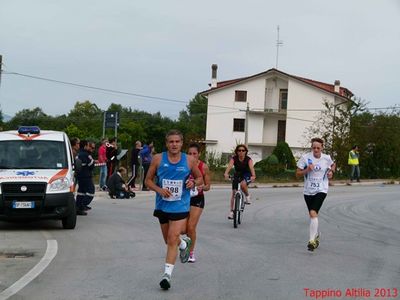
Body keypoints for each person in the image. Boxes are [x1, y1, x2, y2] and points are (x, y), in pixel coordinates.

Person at [145, 129, 203, 290]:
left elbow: (199, 178)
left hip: (180, 205)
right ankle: (184, 244)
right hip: (163, 205)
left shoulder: (189, 160)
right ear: (166, 143)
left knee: (172, 238)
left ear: (181, 143)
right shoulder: (157, 159)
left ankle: (167, 276)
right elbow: (147, 180)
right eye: (171, 141)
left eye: (177, 141)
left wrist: (193, 183)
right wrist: (159, 190)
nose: (174, 144)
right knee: (168, 240)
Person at [296, 137, 335, 251]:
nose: (316, 150)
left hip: (321, 190)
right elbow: (298, 173)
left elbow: (333, 165)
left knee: (313, 213)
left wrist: (331, 171)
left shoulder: (326, 158)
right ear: (311, 148)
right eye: (314, 148)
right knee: (313, 215)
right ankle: (316, 236)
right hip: (308, 191)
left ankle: (311, 241)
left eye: (318, 148)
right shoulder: (305, 158)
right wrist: (307, 170)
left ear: (322, 147)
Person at [186, 143, 211, 263]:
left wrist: (201, 187)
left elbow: (208, 186)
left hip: (198, 198)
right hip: (184, 198)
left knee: (191, 226)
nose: (192, 156)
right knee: (182, 228)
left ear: (199, 154)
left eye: (194, 153)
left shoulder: (203, 166)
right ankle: (184, 244)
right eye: (189, 153)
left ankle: (191, 252)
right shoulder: (183, 165)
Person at [223, 144, 256, 219]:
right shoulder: (234, 159)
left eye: (243, 150)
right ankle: (231, 212)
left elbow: (251, 168)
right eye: (239, 150)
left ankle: (247, 196)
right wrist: (226, 173)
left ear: (245, 152)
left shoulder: (248, 159)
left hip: (246, 174)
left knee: (243, 184)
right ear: (237, 152)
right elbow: (230, 166)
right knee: (234, 192)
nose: (241, 152)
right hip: (237, 174)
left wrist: (253, 175)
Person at [76, 140, 97, 215]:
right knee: (91, 191)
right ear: (85, 146)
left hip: (80, 176)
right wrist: (92, 162)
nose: (89, 147)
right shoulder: (85, 154)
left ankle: (77, 206)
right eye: (88, 145)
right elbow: (91, 165)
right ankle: (82, 206)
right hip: (86, 176)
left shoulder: (79, 153)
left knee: (81, 192)